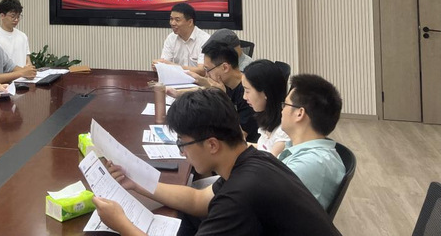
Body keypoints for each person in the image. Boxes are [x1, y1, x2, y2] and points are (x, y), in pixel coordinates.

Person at [91, 88, 342, 236]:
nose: (182, 152)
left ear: (212, 144)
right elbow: (198, 200)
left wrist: (121, 224)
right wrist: (137, 183)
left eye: (183, 143)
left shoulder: (240, 195)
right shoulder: (252, 160)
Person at [278, 74, 346, 210]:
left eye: (285, 104)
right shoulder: (306, 152)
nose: (282, 110)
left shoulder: (307, 164)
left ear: (299, 113)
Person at [186, 41, 258, 142]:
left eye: (208, 69)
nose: (206, 74)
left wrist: (223, 98)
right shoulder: (224, 83)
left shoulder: (248, 93)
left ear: (225, 67)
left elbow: (239, 137)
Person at [241, 60, 288, 155]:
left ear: (265, 92)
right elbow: (263, 148)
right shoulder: (268, 117)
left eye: (247, 91)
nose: (244, 97)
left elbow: (269, 161)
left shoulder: (283, 131)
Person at [152, 3, 209, 72]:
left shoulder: (205, 40)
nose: (172, 23)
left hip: (196, 79)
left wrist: (172, 66)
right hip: (176, 78)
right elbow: (165, 63)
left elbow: (202, 70)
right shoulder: (171, 38)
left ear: (190, 22)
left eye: (177, 20)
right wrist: (159, 66)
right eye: (171, 19)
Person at [0, 0, 33, 67]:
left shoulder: (22, 36)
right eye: (13, 16)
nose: (16, 20)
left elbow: (28, 61)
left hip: (23, 73)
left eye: (18, 16)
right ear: (2, 16)